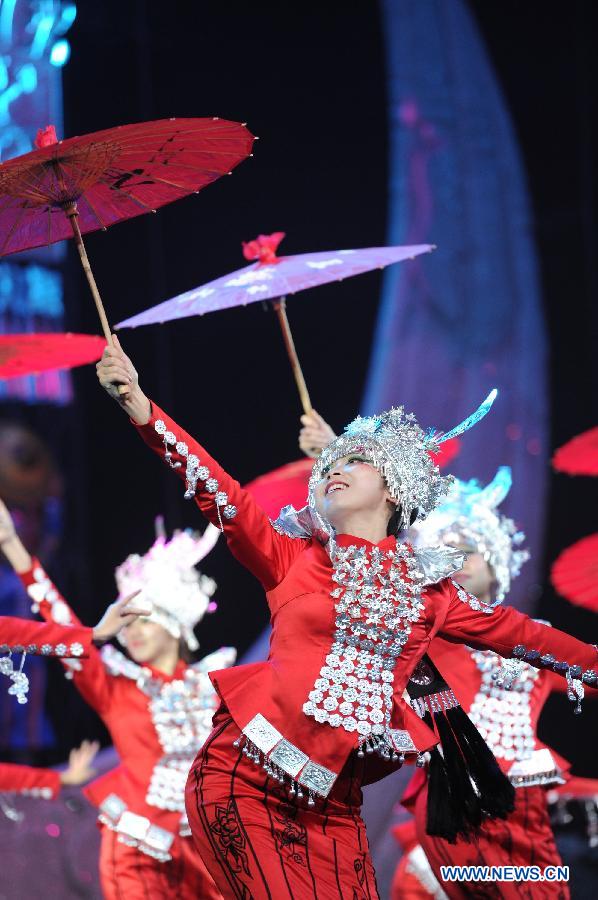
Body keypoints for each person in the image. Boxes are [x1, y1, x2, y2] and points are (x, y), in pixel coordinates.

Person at [96, 337, 597, 900]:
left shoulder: (431, 594)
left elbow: (528, 638)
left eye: (355, 461)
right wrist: (142, 407)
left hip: (335, 806)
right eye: (331, 464)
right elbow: (219, 492)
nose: (334, 469)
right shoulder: (292, 557)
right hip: (249, 780)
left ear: (393, 488)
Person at [0, 498, 232, 900]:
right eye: (127, 623)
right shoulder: (115, 684)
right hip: (137, 848)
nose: (132, 633)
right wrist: (14, 549)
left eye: (145, 620)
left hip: (207, 847)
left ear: (175, 624)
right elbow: (62, 626)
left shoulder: (216, 685)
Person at [394, 467, 587, 899]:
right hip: (459, 802)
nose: (457, 561)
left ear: (497, 567)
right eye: (445, 552)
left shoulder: (534, 639)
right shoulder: (423, 634)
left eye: (469, 550)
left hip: (526, 812)